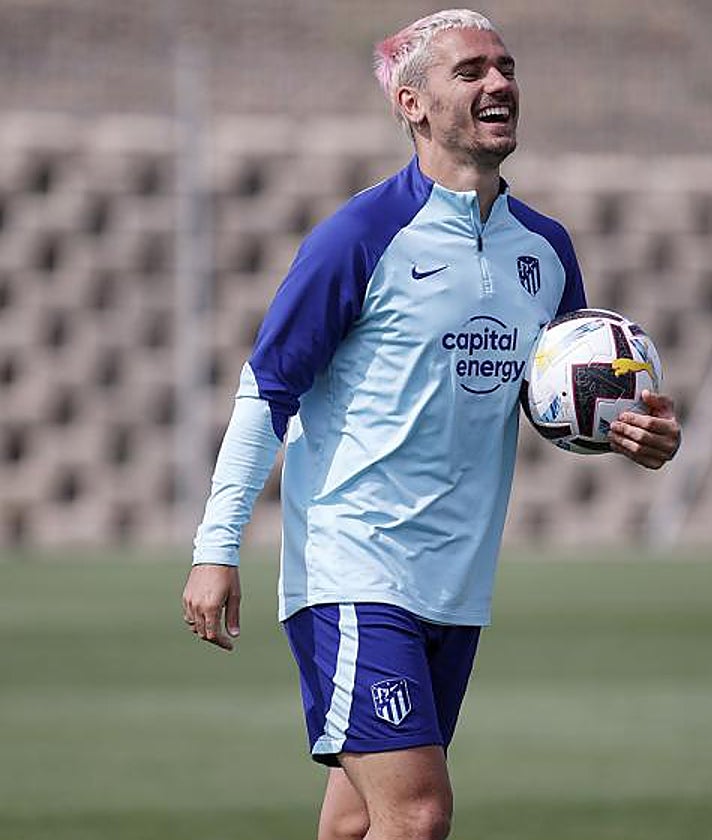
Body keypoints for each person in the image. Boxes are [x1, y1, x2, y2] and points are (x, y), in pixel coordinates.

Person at [180, 9, 681, 840]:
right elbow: (266, 390)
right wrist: (215, 547)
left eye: (506, 67)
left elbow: (560, 398)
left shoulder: (547, 249)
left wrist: (635, 434)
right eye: (471, 71)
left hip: (457, 584)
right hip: (354, 566)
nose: (499, 83)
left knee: (356, 822)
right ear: (411, 103)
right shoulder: (359, 236)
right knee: (416, 815)